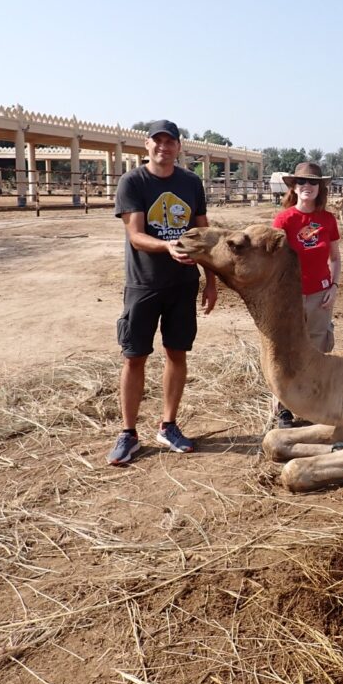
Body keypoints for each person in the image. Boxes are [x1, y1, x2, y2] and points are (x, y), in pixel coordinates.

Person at [106, 120, 218, 465]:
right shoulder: (133, 182)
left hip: (183, 285)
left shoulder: (190, 182)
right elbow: (135, 235)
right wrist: (167, 246)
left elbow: (204, 233)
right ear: (146, 145)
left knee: (176, 353)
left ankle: (168, 425)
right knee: (134, 356)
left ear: (179, 147)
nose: (163, 147)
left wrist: (211, 279)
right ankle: (128, 432)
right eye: (158, 141)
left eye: (170, 142)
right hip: (144, 283)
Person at [271, 162, 341, 428]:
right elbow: (273, 259)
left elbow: (335, 258)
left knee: (317, 346)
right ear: (294, 187)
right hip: (289, 296)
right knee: (286, 348)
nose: (307, 187)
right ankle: (283, 408)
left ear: (319, 187)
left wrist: (333, 288)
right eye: (302, 183)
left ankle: (312, 403)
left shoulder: (327, 220)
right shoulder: (284, 220)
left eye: (312, 183)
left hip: (320, 294)